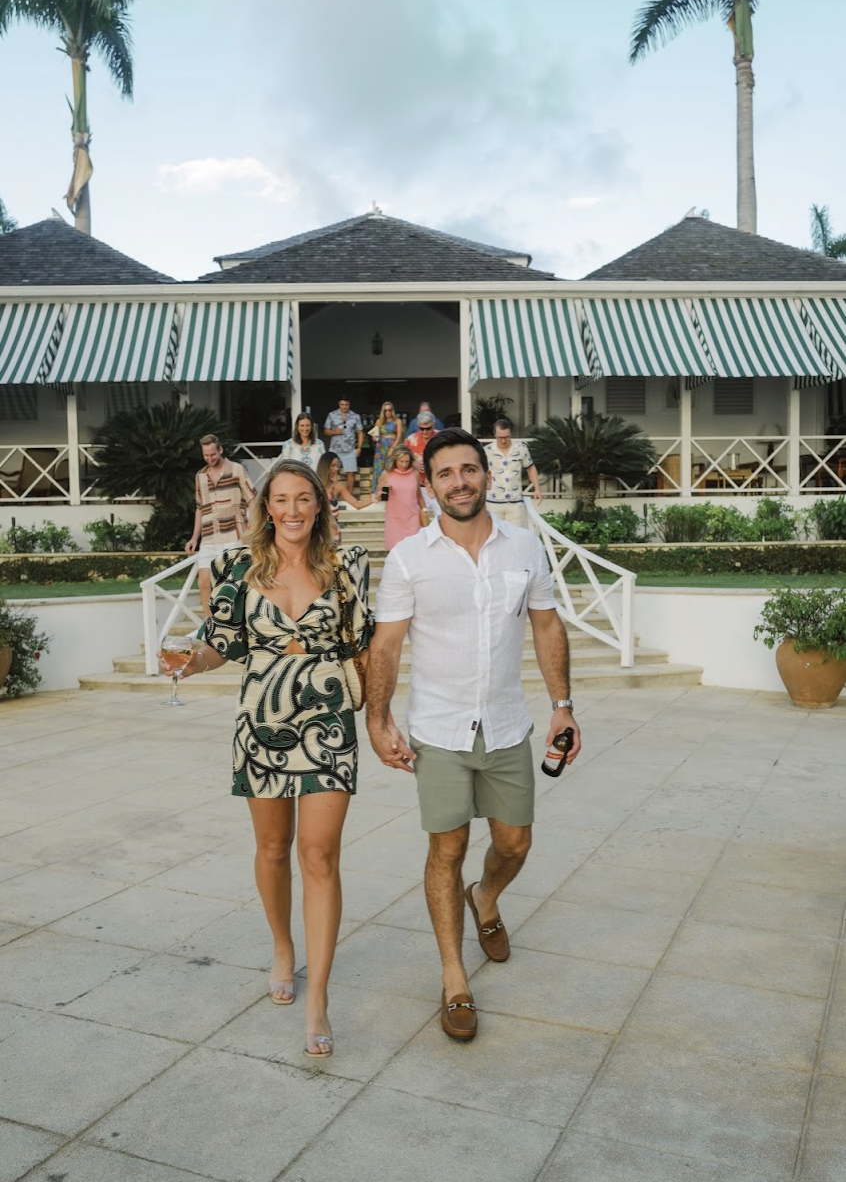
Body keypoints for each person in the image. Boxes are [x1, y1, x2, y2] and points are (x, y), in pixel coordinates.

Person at [365, 428, 581, 1043]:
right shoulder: (410, 557)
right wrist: (378, 720)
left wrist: (563, 706)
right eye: (445, 473)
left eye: (469, 469)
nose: (458, 481)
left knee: (515, 844)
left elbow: (546, 626)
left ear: (488, 474)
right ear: (428, 486)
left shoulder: (524, 548)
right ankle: (454, 976)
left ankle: (485, 899)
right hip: (439, 729)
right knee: (446, 850)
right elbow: (385, 644)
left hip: (508, 724)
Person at [165, 459, 373, 1059]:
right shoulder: (237, 567)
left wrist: (378, 717)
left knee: (320, 856)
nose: (291, 511)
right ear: (265, 508)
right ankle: (283, 946)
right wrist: (188, 661)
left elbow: (365, 645)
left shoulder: (348, 566)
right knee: (273, 849)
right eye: (279, 500)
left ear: (319, 505)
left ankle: (319, 1001)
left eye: (302, 499)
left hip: (328, 727)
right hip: (260, 726)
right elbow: (220, 646)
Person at [185, 434, 255, 617]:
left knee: (233, 586)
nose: (209, 459)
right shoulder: (200, 476)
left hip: (233, 535)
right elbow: (200, 508)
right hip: (208, 537)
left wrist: (251, 526)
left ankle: (237, 625)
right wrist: (194, 538)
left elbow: (252, 499)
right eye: (206, 455)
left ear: (220, 450)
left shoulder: (236, 469)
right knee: (203, 582)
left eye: (212, 455)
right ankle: (211, 629)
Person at [484, 417, 542, 529]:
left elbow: (530, 468)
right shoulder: (487, 451)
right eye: (500, 437)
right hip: (493, 502)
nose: (503, 440)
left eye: (506, 437)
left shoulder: (521, 448)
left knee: (517, 535)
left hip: (515, 502)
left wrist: (537, 489)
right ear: (494, 434)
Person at [375, 444, 427, 550]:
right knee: (396, 551)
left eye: (407, 461)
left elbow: (419, 496)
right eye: (401, 461)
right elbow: (377, 496)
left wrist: (425, 512)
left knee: (415, 549)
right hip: (395, 519)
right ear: (395, 460)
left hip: (413, 518)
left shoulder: (415, 474)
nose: (404, 464)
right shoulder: (387, 474)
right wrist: (382, 493)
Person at [317, 452, 373, 541]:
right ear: (325, 466)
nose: (336, 469)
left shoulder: (338, 486)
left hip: (333, 535)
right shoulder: (312, 486)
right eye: (333, 465)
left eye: (337, 466)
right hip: (316, 535)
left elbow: (357, 504)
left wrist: (375, 498)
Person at [324, 396, 363, 494]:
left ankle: (348, 495)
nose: (344, 407)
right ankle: (333, 494)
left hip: (350, 449)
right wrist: (334, 431)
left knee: (351, 473)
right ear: (339, 404)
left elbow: (360, 432)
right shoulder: (332, 415)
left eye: (346, 405)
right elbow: (326, 431)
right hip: (335, 449)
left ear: (349, 404)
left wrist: (359, 447)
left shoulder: (355, 416)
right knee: (333, 472)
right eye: (342, 404)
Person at [405, 410, 440, 519]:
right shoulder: (411, 440)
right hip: (418, 488)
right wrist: (412, 463)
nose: (424, 432)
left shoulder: (442, 438)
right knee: (419, 520)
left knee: (442, 517)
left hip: (437, 486)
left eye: (428, 428)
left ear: (433, 425)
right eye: (422, 429)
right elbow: (400, 461)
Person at [371, 401, 404, 482]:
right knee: (379, 468)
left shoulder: (397, 421)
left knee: (391, 467)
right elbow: (374, 435)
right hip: (380, 447)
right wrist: (374, 438)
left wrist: (392, 448)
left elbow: (399, 436)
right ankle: (377, 491)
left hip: (392, 446)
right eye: (385, 410)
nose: (388, 412)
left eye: (389, 410)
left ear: (392, 410)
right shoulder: (379, 421)